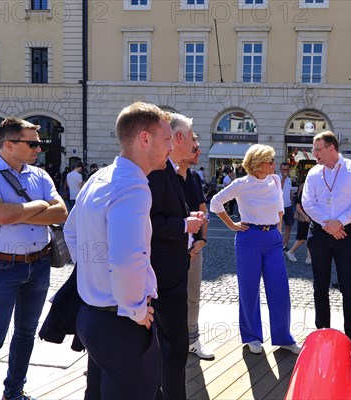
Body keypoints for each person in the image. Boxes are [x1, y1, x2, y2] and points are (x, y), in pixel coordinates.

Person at [64, 102, 170, 399]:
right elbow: (127, 261)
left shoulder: (101, 177)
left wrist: (94, 273)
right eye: (167, 139)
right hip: (120, 323)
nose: (171, 147)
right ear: (145, 139)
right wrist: (136, 310)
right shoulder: (133, 186)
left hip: (92, 316)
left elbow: (71, 233)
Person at [0, 118, 68, 400]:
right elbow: (0, 216)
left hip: (39, 264)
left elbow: (61, 212)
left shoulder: (40, 174)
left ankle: (13, 393)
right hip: (1, 266)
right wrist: (38, 205)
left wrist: (17, 211)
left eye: (40, 143)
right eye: (33, 143)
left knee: (26, 334)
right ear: (9, 144)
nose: (39, 148)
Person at [210, 144, 301, 355]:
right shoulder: (242, 184)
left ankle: (283, 337)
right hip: (248, 238)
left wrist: (277, 230)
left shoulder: (276, 180)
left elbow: (279, 207)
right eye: (270, 161)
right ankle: (251, 336)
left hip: (272, 240)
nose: (274, 165)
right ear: (259, 164)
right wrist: (232, 225)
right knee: (249, 290)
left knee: (280, 290)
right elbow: (216, 203)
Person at [148, 113, 206, 400]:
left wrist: (188, 219)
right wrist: (185, 224)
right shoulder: (159, 171)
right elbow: (151, 221)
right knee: (172, 347)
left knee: (172, 347)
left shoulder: (174, 172)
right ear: (178, 138)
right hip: (162, 275)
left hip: (171, 271)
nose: (195, 142)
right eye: (191, 136)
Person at [302, 131, 351, 358]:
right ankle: (322, 333)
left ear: (332, 148)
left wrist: (339, 222)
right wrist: (327, 224)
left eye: (317, 149)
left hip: (346, 233)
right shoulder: (313, 172)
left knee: (348, 287)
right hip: (320, 233)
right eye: (313, 149)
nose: (314, 153)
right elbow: (307, 202)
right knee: (320, 286)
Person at [177, 134, 214, 360]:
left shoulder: (193, 177)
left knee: (193, 297)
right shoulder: (163, 175)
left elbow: (203, 209)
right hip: (170, 249)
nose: (199, 152)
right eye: (195, 147)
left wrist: (202, 239)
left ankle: (192, 340)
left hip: (193, 249)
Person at [285, 178, 312, 264]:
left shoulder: (305, 194)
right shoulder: (301, 196)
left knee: (309, 238)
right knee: (302, 239)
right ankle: (291, 252)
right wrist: (306, 217)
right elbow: (298, 207)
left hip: (307, 219)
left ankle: (309, 258)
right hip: (304, 219)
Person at [280, 162, 295, 252]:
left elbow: (289, 191)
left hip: (288, 206)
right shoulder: (277, 178)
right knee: (278, 227)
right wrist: (283, 179)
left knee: (288, 226)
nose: (284, 171)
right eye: (283, 169)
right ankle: (277, 244)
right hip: (279, 207)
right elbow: (279, 190)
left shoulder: (289, 179)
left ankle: (285, 245)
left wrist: (291, 199)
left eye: (286, 169)